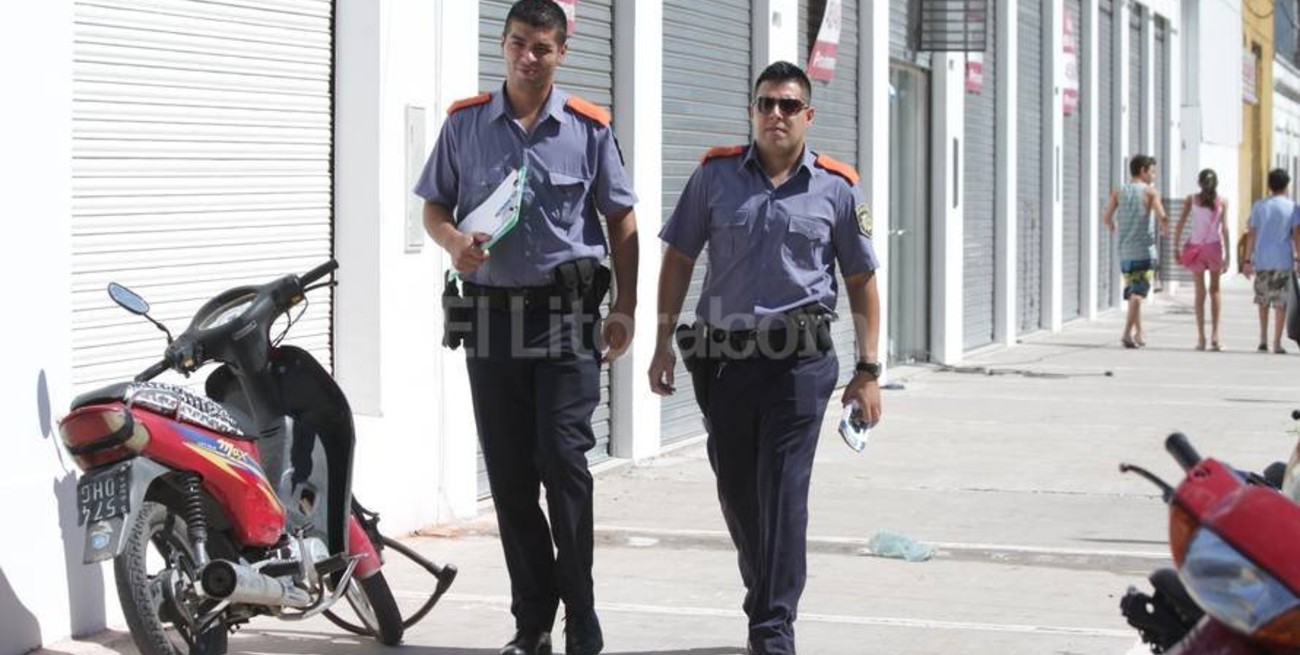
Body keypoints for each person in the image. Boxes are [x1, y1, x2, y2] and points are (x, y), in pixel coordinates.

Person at [413, 2, 639, 654]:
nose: (527, 57)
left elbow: (620, 220)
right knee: (512, 478)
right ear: (502, 44)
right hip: (490, 320)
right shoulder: (465, 126)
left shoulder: (589, 130)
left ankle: (582, 613)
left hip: (566, 320)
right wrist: (453, 241)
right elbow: (432, 204)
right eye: (517, 43)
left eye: (542, 47)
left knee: (565, 463)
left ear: (561, 51)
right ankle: (532, 621)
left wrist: (624, 306)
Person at [647, 61, 882, 655]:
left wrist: (869, 370)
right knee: (738, 492)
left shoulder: (836, 187)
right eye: (764, 104)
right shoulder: (714, 177)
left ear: (808, 115)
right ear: (753, 111)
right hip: (724, 364)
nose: (774, 114)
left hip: (799, 366)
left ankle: (773, 629)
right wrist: (659, 342)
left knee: (784, 491)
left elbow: (860, 279)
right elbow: (678, 257)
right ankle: (766, 592)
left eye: (786, 105)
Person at [1102, 154, 1169, 349]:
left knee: (1133, 292)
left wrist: (1113, 226)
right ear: (1143, 170)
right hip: (1144, 252)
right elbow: (1162, 216)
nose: (1154, 175)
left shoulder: (1119, 191)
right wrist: (1165, 228)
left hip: (1125, 253)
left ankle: (1140, 333)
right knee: (1138, 295)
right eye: (1152, 171)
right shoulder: (1150, 192)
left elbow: (1106, 216)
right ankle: (1126, 333)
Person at [1242, 168, 1300, 354]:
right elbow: (1296, 234)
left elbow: (1251, 234)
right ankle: (1276, 342)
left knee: (1263, 300)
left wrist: (1246, 260)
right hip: (1283, 260)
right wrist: (1298, 256)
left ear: (1269, 185)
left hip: (1262, 260)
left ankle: (1262, 339)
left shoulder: (1259, 206)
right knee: (1280, 303)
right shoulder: (1292, 207)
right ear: (1286, 185)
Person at [1173, 168, 1230, 351]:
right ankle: (1216, 336)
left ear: (1199, 183)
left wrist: (1175, 246)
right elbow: (1226, 229)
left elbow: (1180, 223)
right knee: (1215, 291)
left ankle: (1201, 338)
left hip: (1196, 249)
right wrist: (1228, 255)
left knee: (1200, 293)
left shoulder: (1192, 200)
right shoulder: (1223, 201)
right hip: (1214, 248)